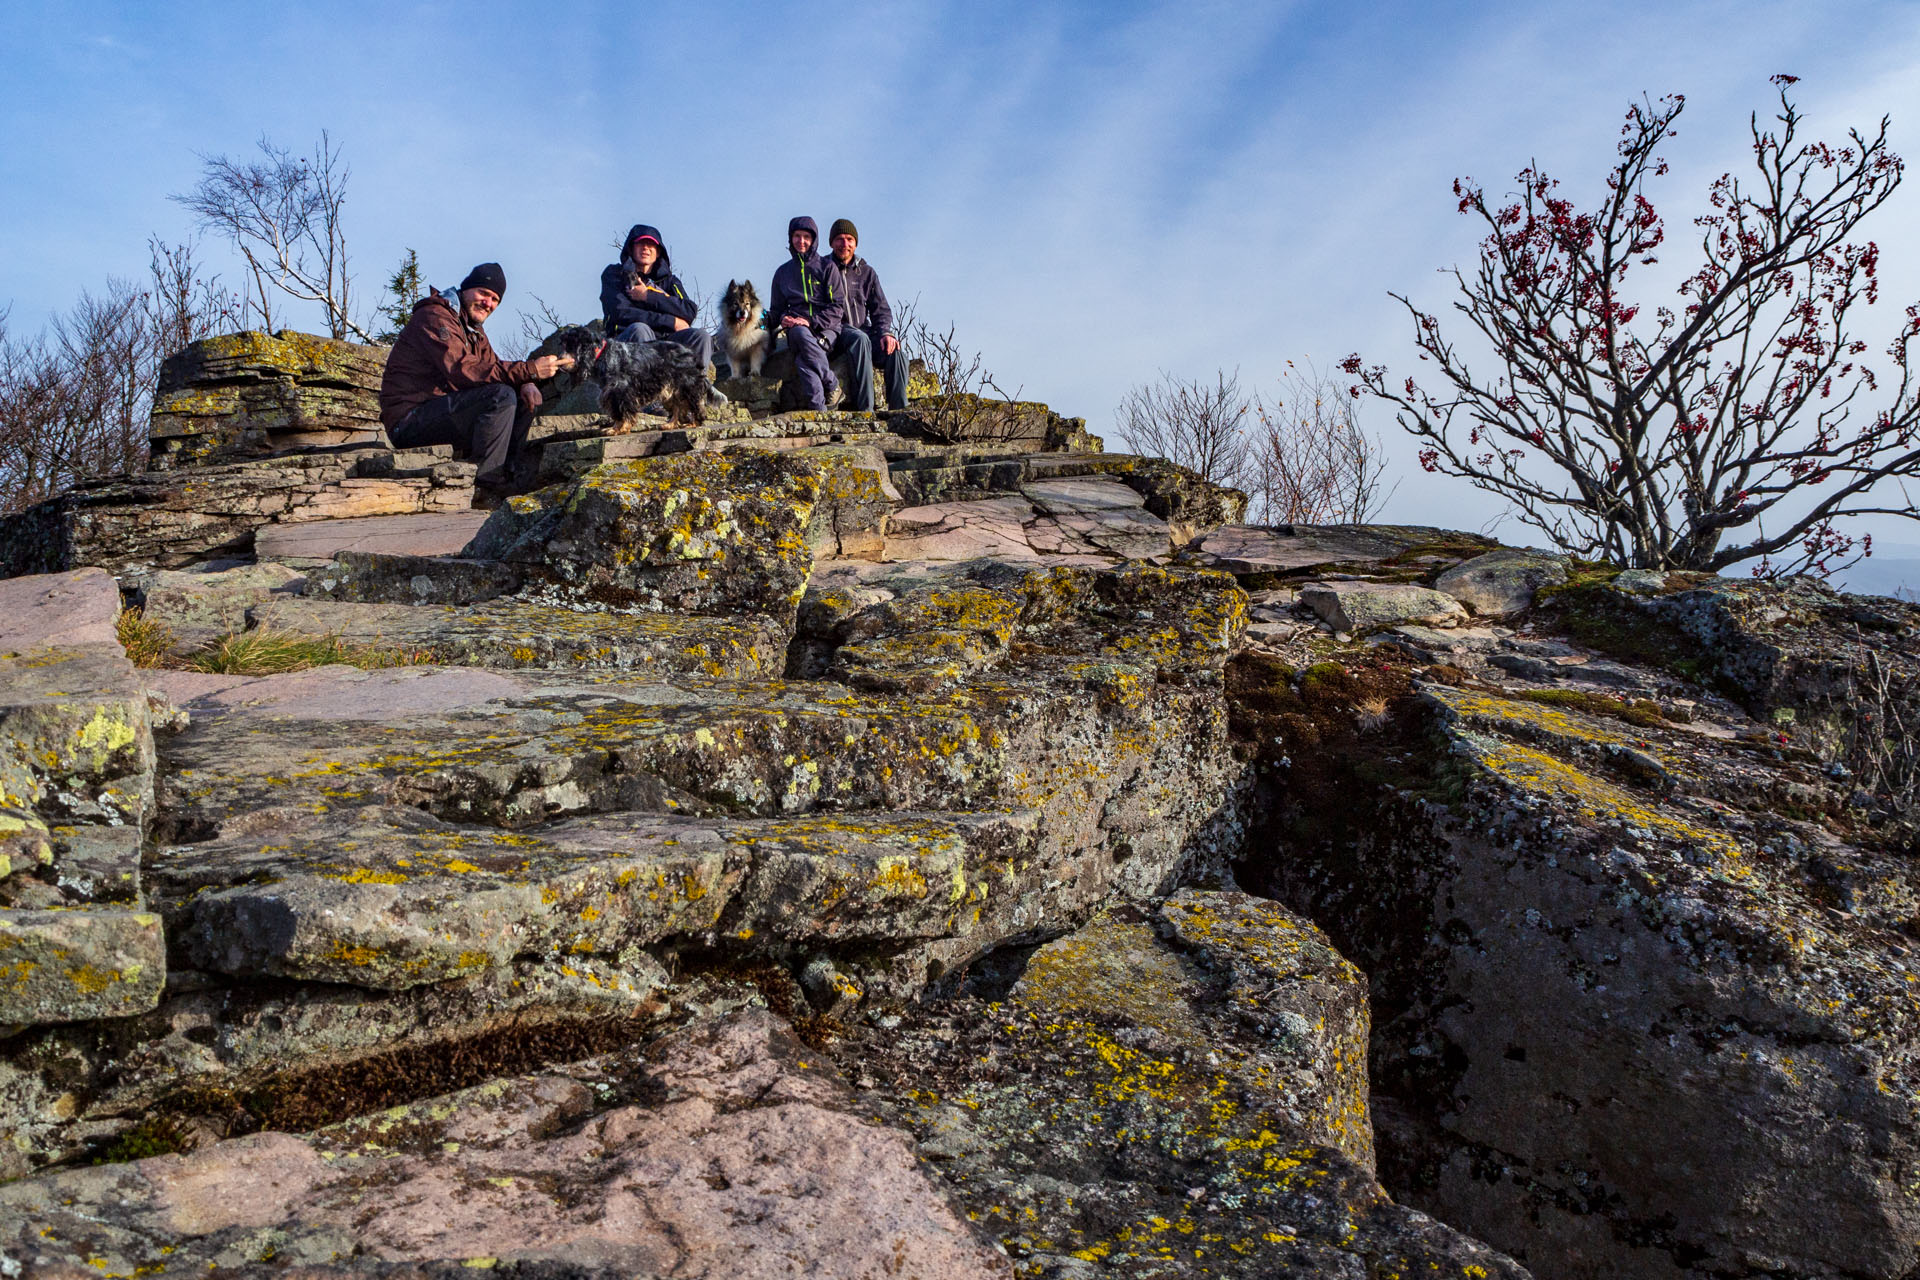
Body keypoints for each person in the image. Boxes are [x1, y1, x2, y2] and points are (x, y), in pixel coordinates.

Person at [379, 263, 570, 505]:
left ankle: (509, 479)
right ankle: (485, 487)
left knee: (520, 397)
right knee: (500, 396)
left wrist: (526, 381)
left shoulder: (473, 330)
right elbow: (462, 369)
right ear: (466, 289)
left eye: (495, 300)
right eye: (484, 293)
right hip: (409, 420)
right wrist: (530, 369)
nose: (488, 303)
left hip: (438, 414)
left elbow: (493, 365)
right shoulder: (435, 316)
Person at [769, 216, 873, 412]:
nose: (801, 241)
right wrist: (780, 318)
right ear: (791, 239)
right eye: (797, 236)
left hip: (827, 328)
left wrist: (810, 321)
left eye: (806, 237)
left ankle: (820, 410)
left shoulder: (826, 268)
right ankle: (831, 388)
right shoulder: (782, 273)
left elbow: (837, 307)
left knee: (803, 360)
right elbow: (776, 310)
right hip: (798, 331)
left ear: (814, 240)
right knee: (799, 334)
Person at [599, 224, 714, 372]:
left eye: (651, 244)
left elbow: (689, 310)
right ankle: (645, 392)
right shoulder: (614, 274)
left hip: (665, 342)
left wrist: (648, 296)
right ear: (631, 248)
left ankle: (696, 390)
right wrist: (671, 321)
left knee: (701, 336)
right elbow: (621, 313)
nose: (646, 248)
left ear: (658, 252)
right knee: (640, 329)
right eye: (641, 243)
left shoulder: (670, 281)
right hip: (626, 344)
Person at [827, 218, 909, 411]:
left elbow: (881, 309)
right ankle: (866, 411)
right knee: (860, 339)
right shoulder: (824, 269)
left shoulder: (867, 272)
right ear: (832, 243)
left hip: (864, 332)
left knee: (895, 352)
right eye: (839, 239)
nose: (844, 244)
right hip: (837, 333)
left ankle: (899, 412)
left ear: (855, 243)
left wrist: (885, 333)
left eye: (849, 239)